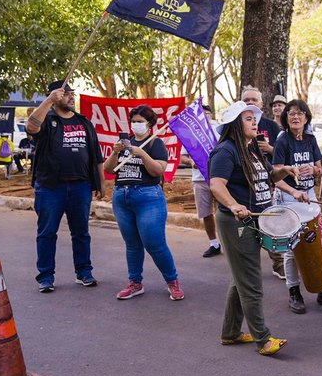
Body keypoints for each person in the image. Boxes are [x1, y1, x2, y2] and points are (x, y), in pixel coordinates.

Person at [208, 100, 297, 356]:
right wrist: (234, 205)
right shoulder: (226, 151)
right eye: (248, 118)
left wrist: (285, 171)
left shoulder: (252, 150)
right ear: (235, 124)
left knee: (241, 280)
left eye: (253, 118)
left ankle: (230, 333)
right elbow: (216, 184)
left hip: (253, 220)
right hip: (236, 222)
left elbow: (268, 177)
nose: (254, 121)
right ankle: (263, 339)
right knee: (251, 283)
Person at [26, 80, 104, 293]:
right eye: (66, 93)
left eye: (72, 93)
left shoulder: (83, 122)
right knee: (47, 233)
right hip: (50, 187)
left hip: (81, 186)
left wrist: (101, 183)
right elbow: (31, 127)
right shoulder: (47, 119)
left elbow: (96, 155)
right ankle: (46, 277)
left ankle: (84, 272)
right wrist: (49, 100)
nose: (71, 97)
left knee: (81, 233)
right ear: (55, 96)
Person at [104, 105, 184, 301]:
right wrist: (115, 153)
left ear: (150, 124)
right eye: (133, 121)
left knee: (154, 243)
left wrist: (142, 154)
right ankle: (135, 282)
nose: (136, 125)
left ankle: (172, 281)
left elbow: (158, 170)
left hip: (148, 196)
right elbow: (108, 169)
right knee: (132, 244)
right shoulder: (125, 142)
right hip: (122, 196)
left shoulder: (155, 144)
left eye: (140, 121)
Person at [272, 99, 322, 313]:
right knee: (292, 249)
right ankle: (294, 292)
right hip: (289, 198)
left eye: (300, 113)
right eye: (291, 113)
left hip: (310, 197)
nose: (296, 117)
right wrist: (293, 187)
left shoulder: (311, 139)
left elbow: (320, 169)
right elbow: (275, 175)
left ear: (306, 118)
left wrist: (314, 170)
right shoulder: (283, 141)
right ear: (286, 118)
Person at [240, 85, 285, 279]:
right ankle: (246, 268)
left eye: (254, 100)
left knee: (270, 227)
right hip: (243, 192)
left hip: (267, 185)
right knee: (246, 233)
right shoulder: (234, 131)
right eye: (247, 100)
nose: (250, 103)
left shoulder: (272, 126)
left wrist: (269, 148)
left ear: (260, 104)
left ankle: (278, 263)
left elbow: (280, 153)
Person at [179, 104, 222, 258]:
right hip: (200, 179)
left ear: (211, 114)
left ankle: (228, 242)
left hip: (220, 178)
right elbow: (182, 156)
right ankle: (214, 243)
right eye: (200, 113)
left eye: (206, 113)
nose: (203, 115)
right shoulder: (190, 133)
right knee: (206, 213)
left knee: (224, 211)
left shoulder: (219, 129)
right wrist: (191, 162)